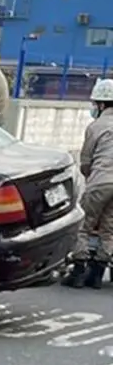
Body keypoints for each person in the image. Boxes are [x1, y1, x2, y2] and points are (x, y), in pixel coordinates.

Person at [64, 79, 113, 289]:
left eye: (95, 104)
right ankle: (99, 270)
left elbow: (86, 160)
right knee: (108, 228)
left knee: (83, 225)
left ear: (102, 104)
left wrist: (88, 177)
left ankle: (79, 268)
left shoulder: (96, 126)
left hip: (100, 181)